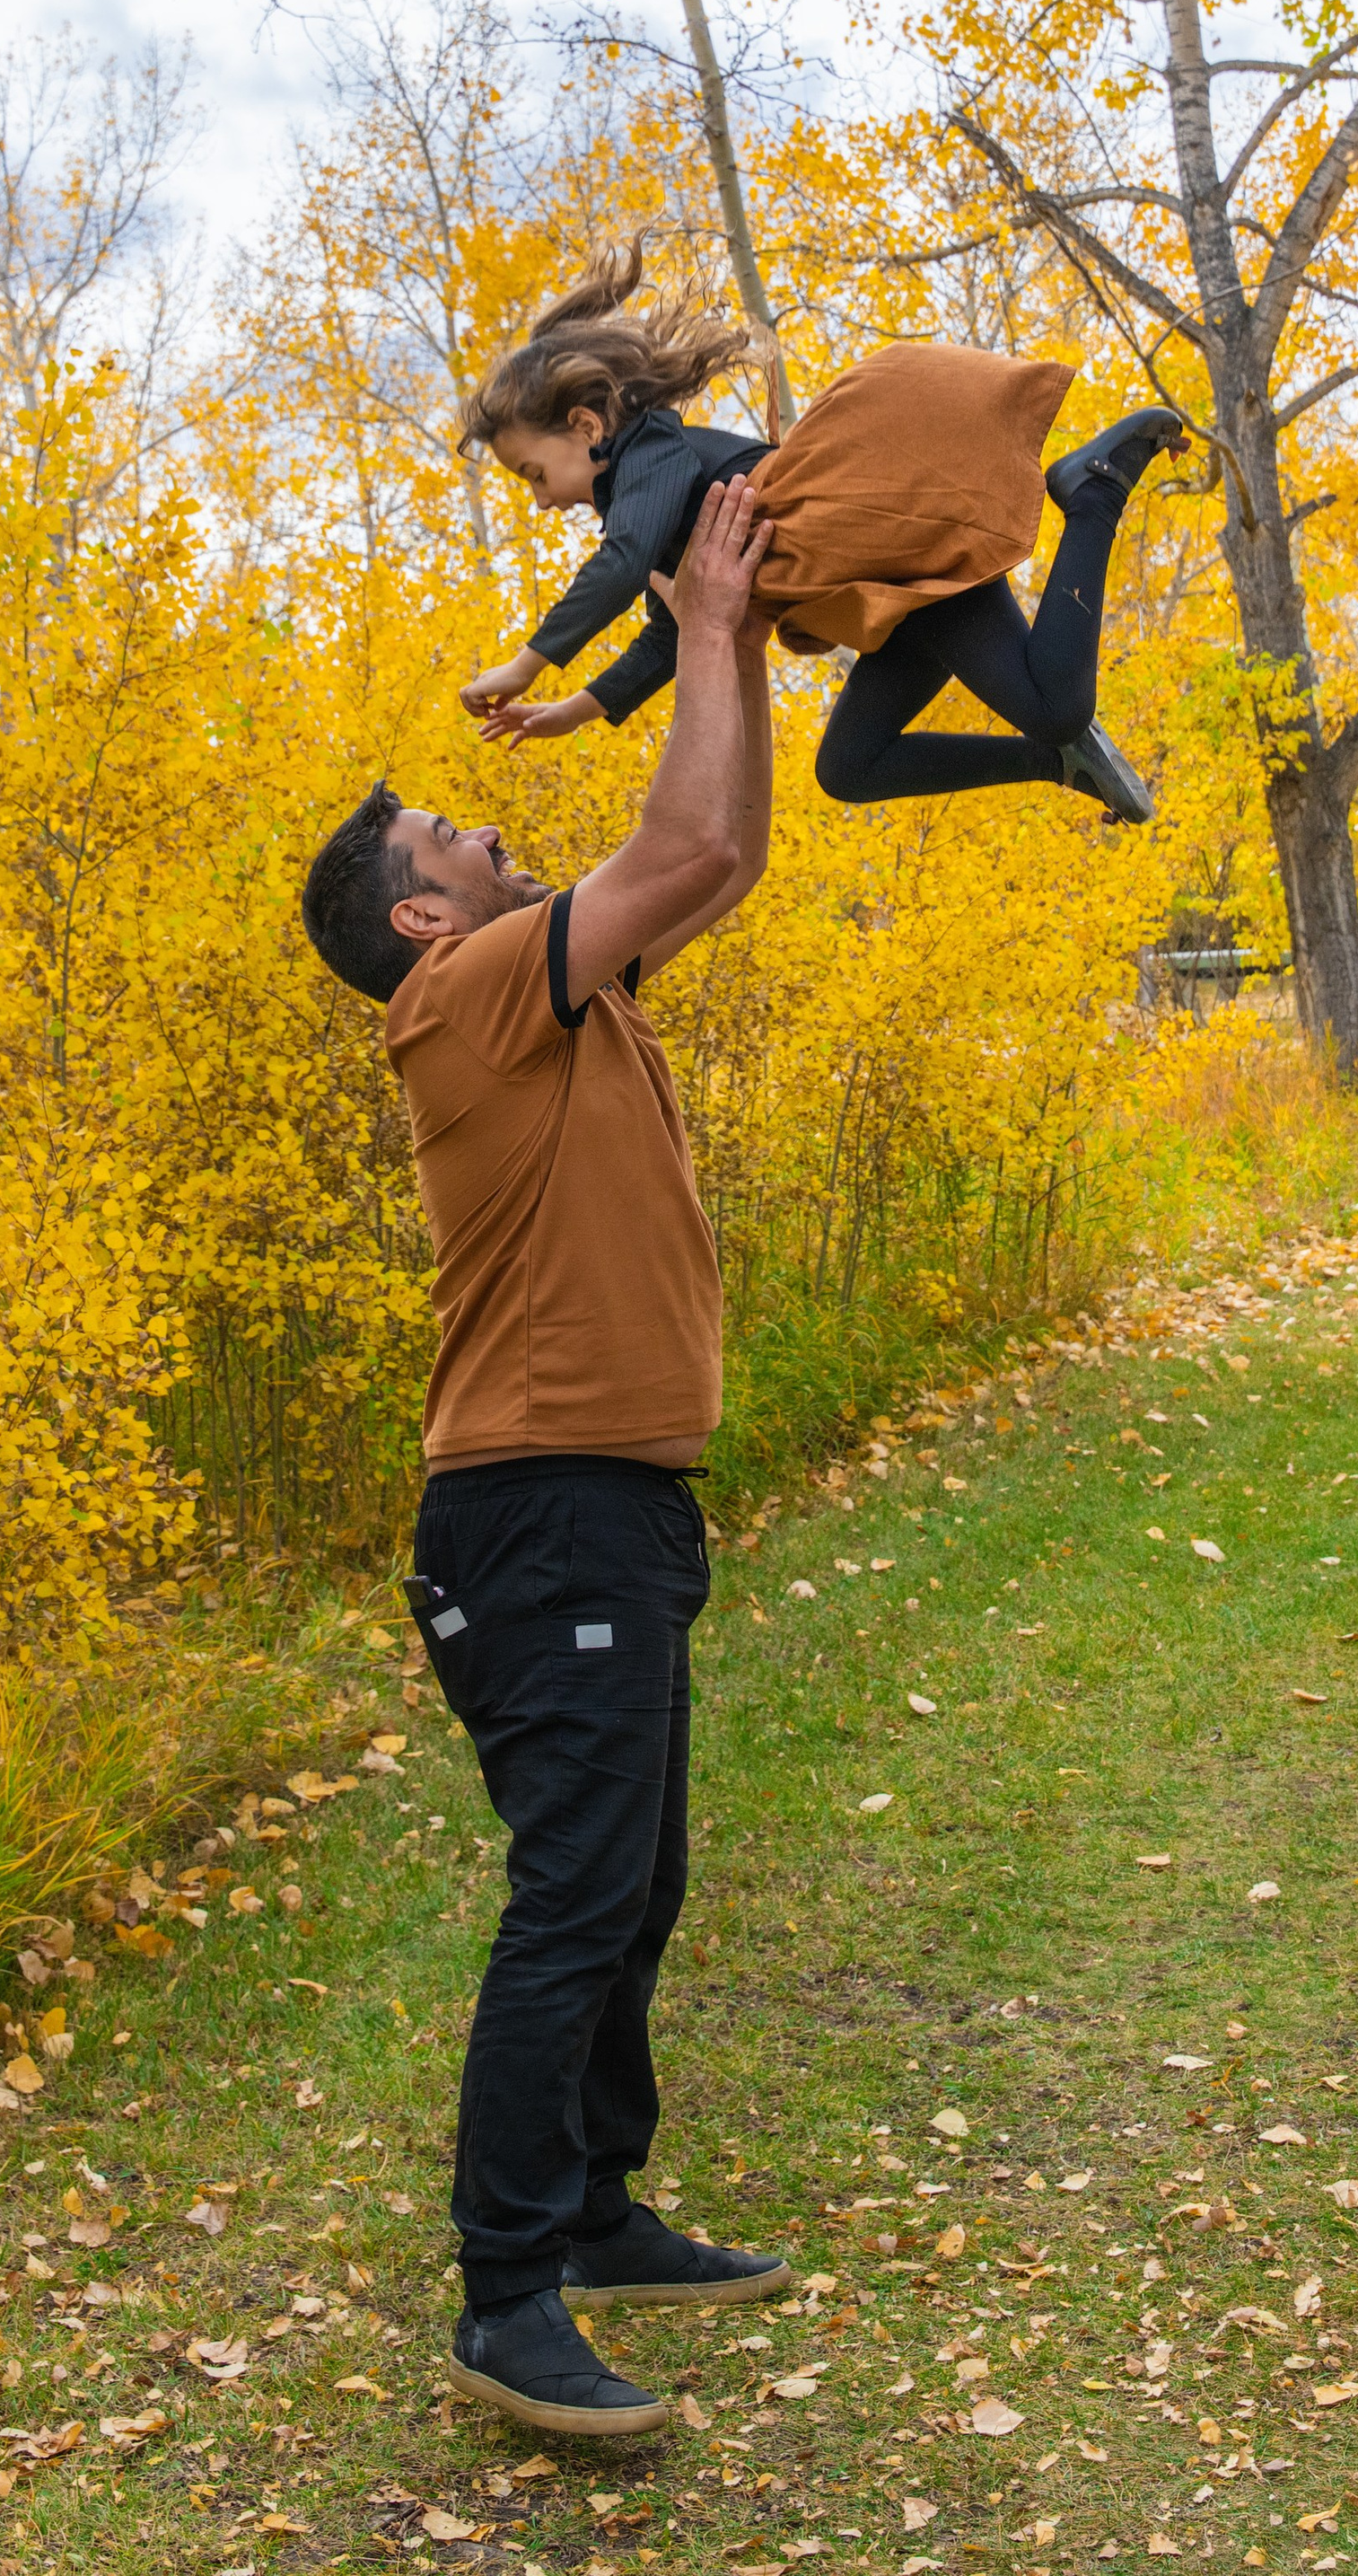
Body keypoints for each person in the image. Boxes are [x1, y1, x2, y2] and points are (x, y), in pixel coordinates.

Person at [300, 476, 791, 2441]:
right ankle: (506, 2295)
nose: (486, 825)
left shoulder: (550, 985)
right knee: (572, 1897)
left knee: (634, 1884)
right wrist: (685, 630)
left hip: (612, 1510)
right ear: (424, 914)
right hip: (536, 1519)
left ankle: (591, 2210)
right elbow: (673, 836)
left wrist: (729, 634)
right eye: (449, 833)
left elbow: (719, 849)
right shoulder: (469, 992)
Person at [456, 233, 1186, 821]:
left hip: (893, 552)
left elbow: (622, 563)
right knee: (849, 769)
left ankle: (1093, 497)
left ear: (584, 425)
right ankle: (1059, 764)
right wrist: (573, 711)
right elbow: (669, 634)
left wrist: (526, 663)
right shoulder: (652, 503)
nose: (543, 501)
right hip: (879, 598)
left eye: (535, 475)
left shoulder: (646, 459)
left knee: (1055, 706)